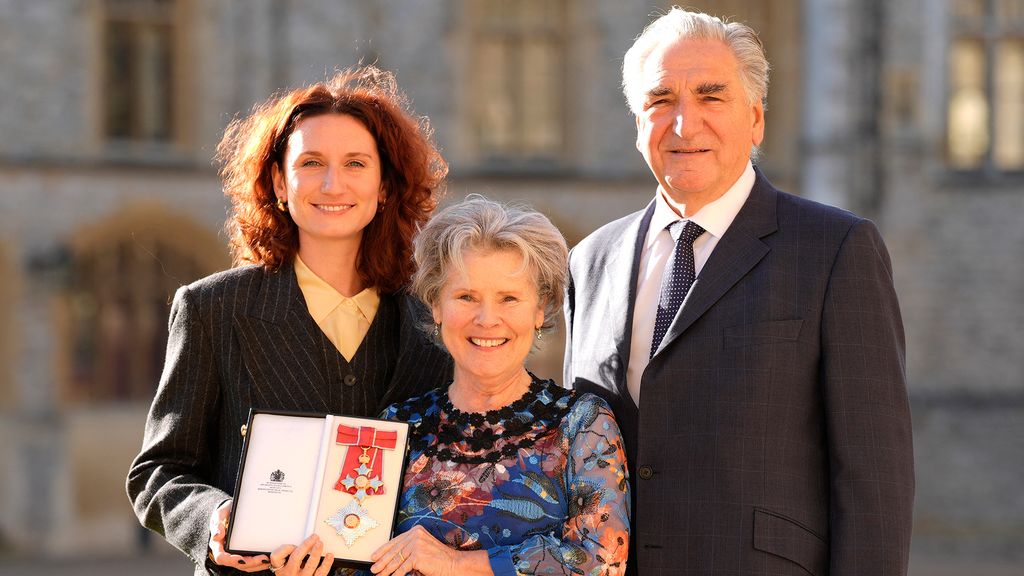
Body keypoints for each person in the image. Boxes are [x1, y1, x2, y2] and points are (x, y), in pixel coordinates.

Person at [564, 8, 914, 576]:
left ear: (755, 120)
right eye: (660, 101)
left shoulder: (835, 250)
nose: (684, 124)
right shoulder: (591, 261)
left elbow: (875, 479)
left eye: (710, 96)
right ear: (636, 122)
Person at [127, 66, 453, 576]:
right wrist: (213, 520)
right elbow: (158, 473)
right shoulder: (212, 309)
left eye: (355, 163)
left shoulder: (431, 323)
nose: (332, 183)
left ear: (385, 185)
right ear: (280, 181)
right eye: (311, 162)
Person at [356, 197, 629, 576]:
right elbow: (357, 554)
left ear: (540, 310)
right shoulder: (398, 425)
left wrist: (455, 563)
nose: (487, 319)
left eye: (509, 299)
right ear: (435, 305)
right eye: (466, 297)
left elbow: (602, 560)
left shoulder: (583, 422)